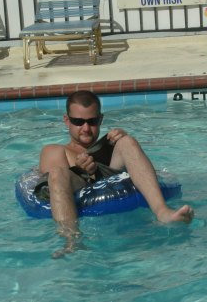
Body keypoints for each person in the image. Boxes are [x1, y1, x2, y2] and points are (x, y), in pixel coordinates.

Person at [38, 90, 194, 258]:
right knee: (57, 172)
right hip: (77, 182)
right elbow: (53, 184)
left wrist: (119, 140)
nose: (86, 128)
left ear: (101, 119)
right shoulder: (55, 151)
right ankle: (73, 241)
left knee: (127, 142)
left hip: (109, 178)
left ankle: (163, 212)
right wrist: (79, 170)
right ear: (67, 121)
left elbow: (138, 167)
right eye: (78, 122)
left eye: (92, 121)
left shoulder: (110, 145)